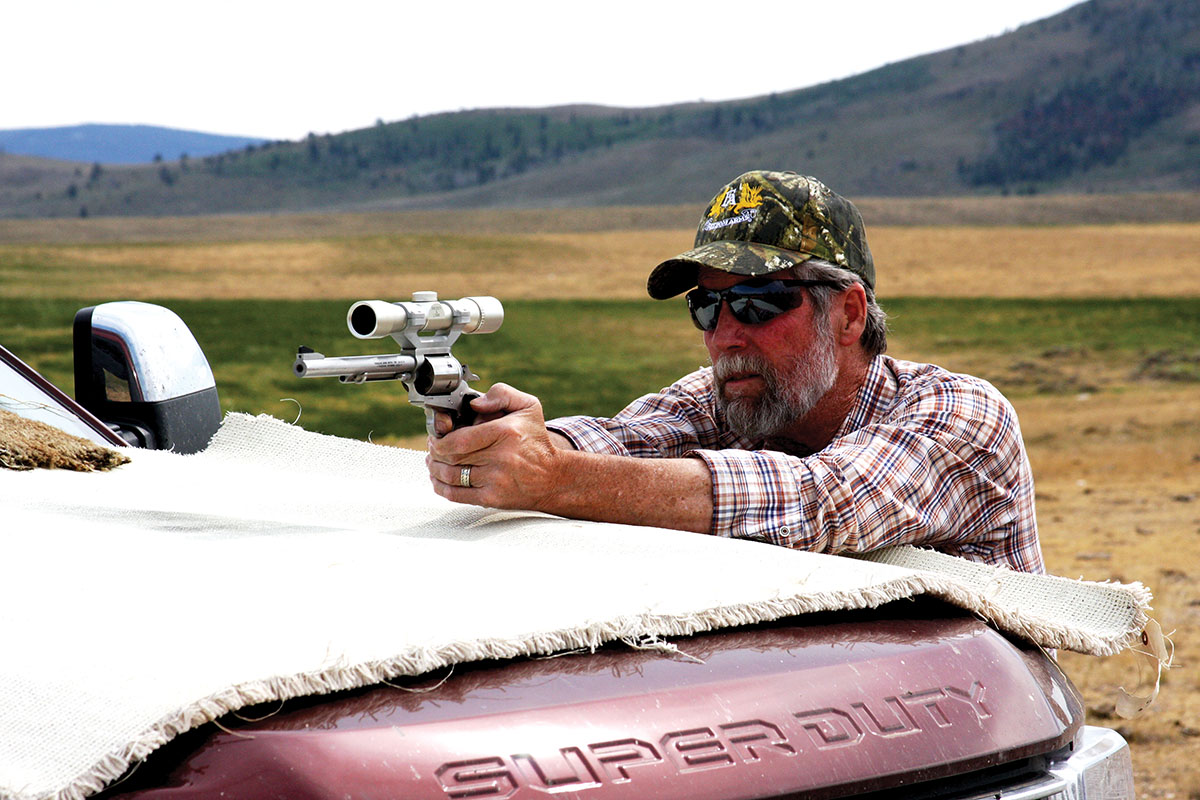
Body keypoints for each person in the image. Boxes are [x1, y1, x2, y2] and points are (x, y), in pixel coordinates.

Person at [426, 170, 1044, 574]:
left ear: (849, 313)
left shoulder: (959, 414)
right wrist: (504, 439)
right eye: (706, 306)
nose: (724, 335)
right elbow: (626, 440)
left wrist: (551, 478)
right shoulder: (728, 395)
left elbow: (820, 502)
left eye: (759, 302)